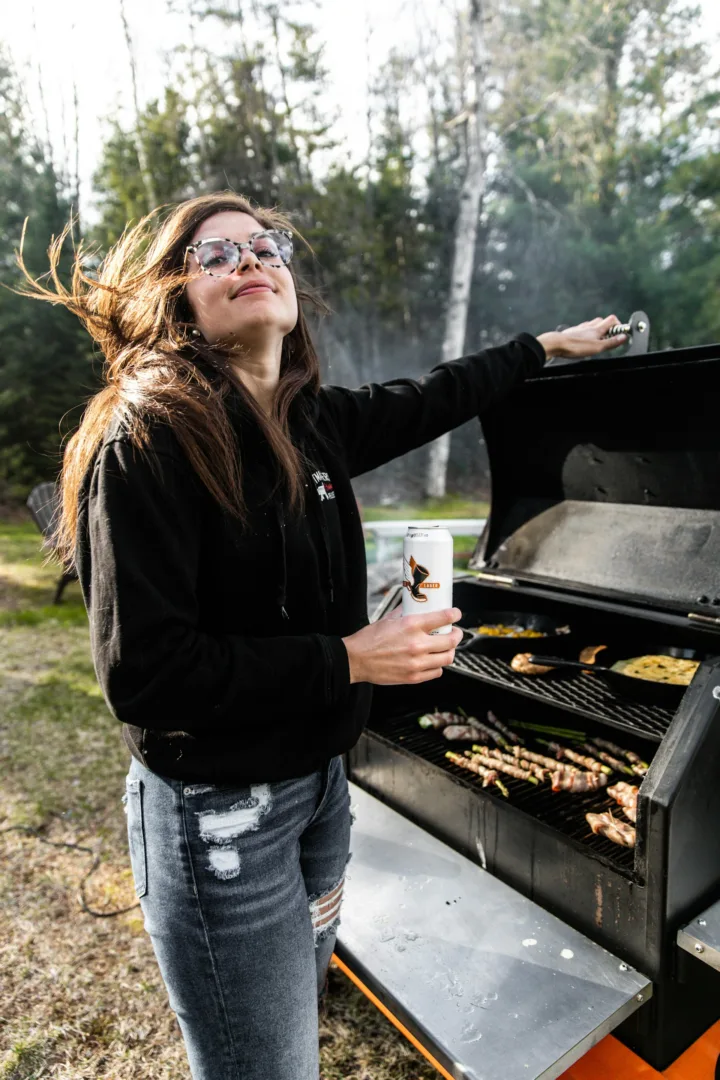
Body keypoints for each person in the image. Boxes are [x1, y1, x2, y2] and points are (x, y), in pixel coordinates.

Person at [20, 192, 626, 1080]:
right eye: (215, 255)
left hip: (319, 796)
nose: (251, 260)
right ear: (173, 295)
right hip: (218, 820)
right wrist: (351, 658)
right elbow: (143, 673)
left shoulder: (313, 421)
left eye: (265, 246)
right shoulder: (146, 434)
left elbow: (437, 394)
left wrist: (546, 347)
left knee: (291, 1020)